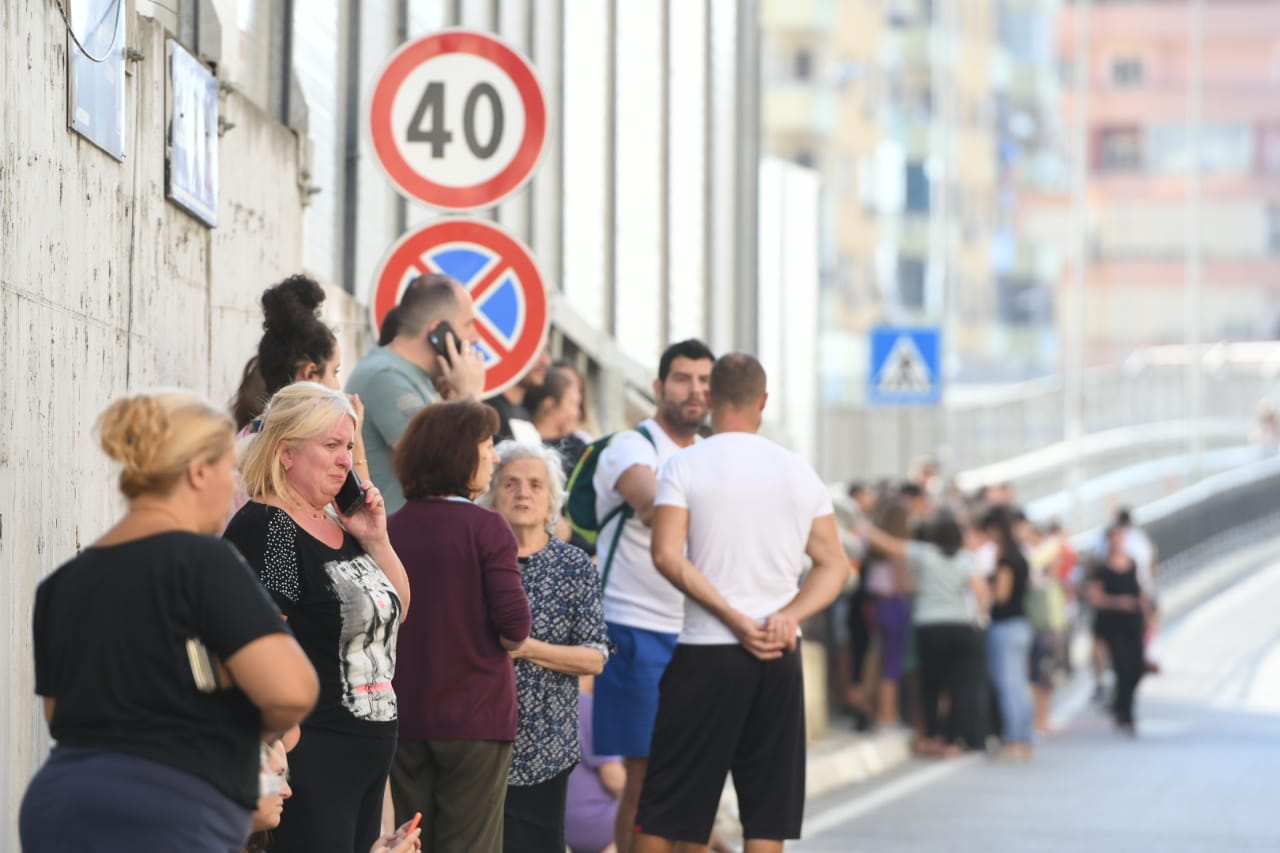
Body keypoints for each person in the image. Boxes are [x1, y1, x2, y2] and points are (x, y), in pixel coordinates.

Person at [21, 391, 318, 852]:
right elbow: (292, 690)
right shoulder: (204, 562)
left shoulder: (63, 583)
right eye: (229, 471)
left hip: (61, 806)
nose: (234, 486)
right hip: (170, 806)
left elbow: (62, 717)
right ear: (198, 472)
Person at [634, 353, 850, 853]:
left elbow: (666, 554)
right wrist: (787, 617)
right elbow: (835, 564)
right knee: (766, 814)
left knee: (666, 812)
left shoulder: (684, 464)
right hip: (779, 652)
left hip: (706, 651)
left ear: (710, 399)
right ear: (763, 402)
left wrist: (732, 616)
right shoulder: (799, 472)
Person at [224, 383, 411, 853]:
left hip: (365, 751)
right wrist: (285, 735)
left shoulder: (338, 522)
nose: (346, 460)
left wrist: (376, 541)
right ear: (286, 453)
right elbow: (268, 635)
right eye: (330, 446)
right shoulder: (274, 527)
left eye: (348, 446)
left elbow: (398, 610)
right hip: (314, 756)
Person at [387, 400, 532, 853]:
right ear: (458, 454)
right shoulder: (487, 528)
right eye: (486, 446)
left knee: (409, 842)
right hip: (476, 719)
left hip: (403, 714)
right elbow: (515, 628)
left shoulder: (388, 528)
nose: (493, 456)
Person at [590, 339, 714, 853]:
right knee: (646, 779)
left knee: (699, 781)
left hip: (700, 634)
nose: (695, 391)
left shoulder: (712, 456)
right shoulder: (631, 446)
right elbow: (650, 503)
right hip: (634, 627)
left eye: (706, 382)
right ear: (660, 388)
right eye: (684, 379)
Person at [480, 441, 611, 852]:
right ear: (492, 494)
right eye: (511, 484)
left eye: (536, 485)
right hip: (477, 744)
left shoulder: (573, 566)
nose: (523, 493)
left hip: (547, 747)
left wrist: (528, 648)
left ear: (552, 499)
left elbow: (595, 657)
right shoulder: (474, 559)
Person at [346, 273, 487, 512]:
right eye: (468, 325)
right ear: (438, 331)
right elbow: (440, 468)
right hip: (391, 538)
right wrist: (468, 398)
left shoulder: (415, 377)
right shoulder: (385, 376)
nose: (476, 337)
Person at [229, 274, 369, 513]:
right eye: (334, 372)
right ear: (310, 374)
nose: (339, 386)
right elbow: (360, 518)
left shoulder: (251, 436)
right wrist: (354, 440)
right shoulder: (300, 448)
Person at [860, 510, 988, 755]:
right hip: (961, 626)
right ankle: (953, 740)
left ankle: (930, 737)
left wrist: (864, 525)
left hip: (930, 627)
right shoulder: (966, 559)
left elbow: (890, 545)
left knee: (931, 685)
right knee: (957, 686)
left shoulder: (925, 554)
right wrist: (978, 618)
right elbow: (981, 591)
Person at [980, 507, 1034, 759]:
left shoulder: (1006, 559)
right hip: (1022, 624)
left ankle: (1014, 739)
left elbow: (1001, 595)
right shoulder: (1021, 556)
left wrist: (984, 588)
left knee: (1008, 685)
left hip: (1005, 626)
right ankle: (1024, 739)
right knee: (1020, 685)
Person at [1090, 524, 1152, 735]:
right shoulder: (1102, 568)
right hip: (1112, 624)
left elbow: (1140, 592)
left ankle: (1121, 705)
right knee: (1121, 667)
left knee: (1136, 668)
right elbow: (1095, 597)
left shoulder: (1132, 564)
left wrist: (1147, 618)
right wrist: (1118, 602)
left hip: (1132, 623)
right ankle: (1125, 713)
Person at [565, 677, 625, 853]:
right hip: (596, 823)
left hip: (560, 821)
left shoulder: (552, 703)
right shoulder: (592, 707)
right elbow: (614, 780)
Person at [523, 368, 589, 481]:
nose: (577, 413)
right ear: (549, 404)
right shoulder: (518, 435)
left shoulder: (579, 450)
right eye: (572, 403)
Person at [488, 344, 553, 442]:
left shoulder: (525, 417)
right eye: (537, 350)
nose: (546, 361)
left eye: (546, 351)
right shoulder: (488, 408)